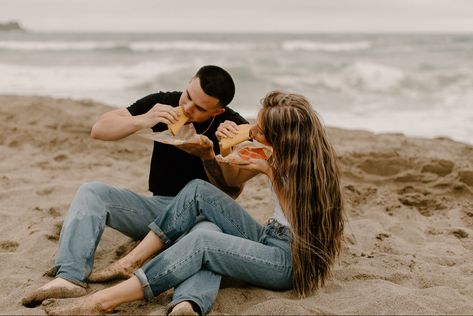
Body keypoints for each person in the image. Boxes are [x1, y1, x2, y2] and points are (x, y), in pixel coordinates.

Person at [42, 91, 345, 316]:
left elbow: (302, 218)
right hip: (269, 237)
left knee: (204, 241)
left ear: (285, 138)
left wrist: (267, 168)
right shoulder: (282, 153)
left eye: (261, 130)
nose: (252, 130)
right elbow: (228, 182)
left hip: (287, 263)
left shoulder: (307, 169)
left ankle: (102, 302)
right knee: (199, 190)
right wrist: (214, 154)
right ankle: (133, 261)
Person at [21, 65, 249, 310]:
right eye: (188, 96)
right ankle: (70, 277)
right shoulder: (164, 104)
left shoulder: (232, 126)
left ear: (219, 110)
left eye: (200, 108)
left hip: (202, 220)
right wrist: (143, 119)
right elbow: (99, 129)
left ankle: (188, 303)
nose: (187, 108)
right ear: (189, 82)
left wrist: (208, 157)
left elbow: (231, 190)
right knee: (92, 191)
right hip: (158, 210)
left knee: (209, 237)